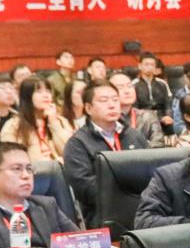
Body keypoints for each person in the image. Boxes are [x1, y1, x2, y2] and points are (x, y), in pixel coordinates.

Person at [61, 81, 150, 219]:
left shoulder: (134, 135)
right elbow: (86, 190)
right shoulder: (77, 144)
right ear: (88, 108)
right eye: (104, 100)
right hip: (104, 216)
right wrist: (128, 194)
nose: (112, 105)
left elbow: (151, 173)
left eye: (115, 99)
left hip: (143, 211)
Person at [0, 142, 72, 248]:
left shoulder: (47, 205)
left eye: (29, 169)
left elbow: (78, 242)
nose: (26, 175)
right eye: (17, 169)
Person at [4, 76, 73, 163]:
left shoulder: (61, 121)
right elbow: (10, 158)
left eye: (48, 91)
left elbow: (72, 152)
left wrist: (54, 123)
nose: (46, 95)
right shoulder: (13, 125)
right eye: (39, 91)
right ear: (27, 97)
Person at [132, 53, 172, 134]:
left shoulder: (162, 83)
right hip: (143, 119)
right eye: (146, 64)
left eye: (152, 65)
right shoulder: (134, 85)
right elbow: (134, 108)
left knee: (169, 125)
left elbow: (168, 103)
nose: (150, 67)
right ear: (140, 66)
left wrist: (168, 116)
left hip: (162, 118)